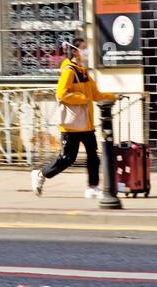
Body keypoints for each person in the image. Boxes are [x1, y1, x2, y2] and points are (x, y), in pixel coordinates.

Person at [32, 36, 116, 199]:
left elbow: (95, 94)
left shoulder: (83, 71)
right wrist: (82, 98)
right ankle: (41, 175)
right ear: (75, 51)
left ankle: (93, 187)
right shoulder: (69, 71)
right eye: (83, 48)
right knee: (67, 159)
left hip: (86, 124)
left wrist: (114, 96)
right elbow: (61, 94)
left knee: (93, 156)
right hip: (72, 125)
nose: (86, 51)